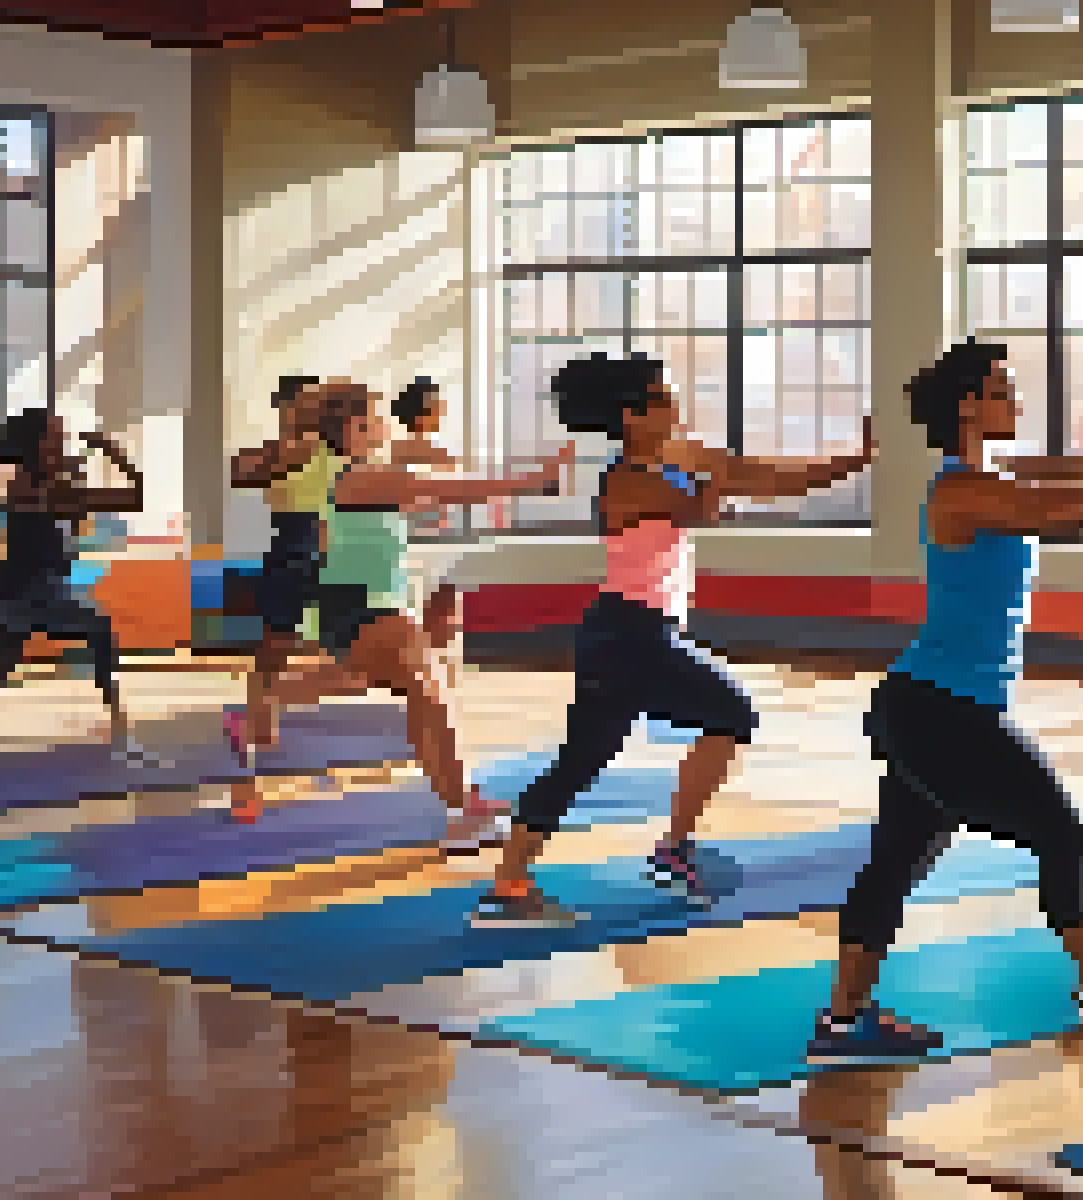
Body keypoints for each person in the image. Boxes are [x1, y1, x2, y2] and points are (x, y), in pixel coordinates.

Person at [802, 340, 1083, 1066]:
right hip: (941, 712)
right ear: (967, 406)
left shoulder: (993, 475)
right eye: (1003, 390)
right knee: (1060, 830)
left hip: (932, 708)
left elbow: (1071, 476)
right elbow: (1060, 515)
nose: (1016, 401)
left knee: (896, 861)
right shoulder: (963, 491)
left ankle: (843, 1021)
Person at [473, 353, 875, 926]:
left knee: (580, 762)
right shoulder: (629, 480)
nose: (677, 408)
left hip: (624, 632)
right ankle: (672, 847)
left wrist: (854, 461)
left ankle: (510, 884)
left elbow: (766, 476)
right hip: (634, 631)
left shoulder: (671, 461)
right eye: (663, 400)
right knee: (733, 714)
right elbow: (704, 507)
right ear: (632, 417)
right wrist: (713, 477)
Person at [239, 381, 573, 845]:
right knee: (430, 690)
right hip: (363, 605)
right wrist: (539, 481)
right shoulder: (363, 476)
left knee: (420, 691)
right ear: (352, 430)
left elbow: (421, 495)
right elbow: (451, 488)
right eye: (374, 417)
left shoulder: (363, 474)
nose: (384, 423)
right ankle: (465, 809)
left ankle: (461, 806)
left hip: (357, 604)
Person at [0, 410, 152, 792]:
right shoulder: (32, 486)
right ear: (37, 447)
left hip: (41, 590)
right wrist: (108, 451)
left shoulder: (51, 483)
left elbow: (127, 499)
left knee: (0, 668)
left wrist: (102, 457)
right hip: (23, 592)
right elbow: (132, 496)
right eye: (55, 437)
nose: (62, 443)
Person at [225, 375, 332, 763]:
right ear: (284, 407)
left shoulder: (329, 445)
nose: (313, 409)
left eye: (316, 403)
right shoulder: (277, 450)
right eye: (304, 402)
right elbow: (239, 473)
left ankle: (267, 717)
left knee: (347, 642)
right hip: (293, 544)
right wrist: (276, 454)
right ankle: (259, 727)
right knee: (274, 649)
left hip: (335, 543)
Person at [387, 376, 470, 693]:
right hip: (423, 539)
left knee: (428, 609)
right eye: (438, 403)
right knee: (431, 609)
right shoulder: (428, 452)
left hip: (425, 537)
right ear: (425, 410)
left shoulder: (402, 450)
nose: (443, 408)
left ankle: (420, 674)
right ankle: (421, 675)